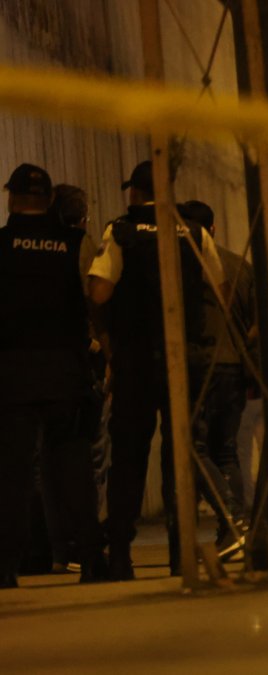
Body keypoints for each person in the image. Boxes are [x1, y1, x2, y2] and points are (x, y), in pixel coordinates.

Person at [87, 161, 236, 579]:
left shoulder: (120, 232)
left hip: (135, 361)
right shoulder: (194, 232)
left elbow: (99, 291)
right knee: (181, 455)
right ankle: (179, 552)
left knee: (128, 457)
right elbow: (221, 291)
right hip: (183, 359)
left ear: (135, 192)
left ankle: (120, 555)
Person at [0, 164, 108, 587]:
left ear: (11, 198)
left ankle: (6, 567)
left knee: (12, 474)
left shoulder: (1, 244)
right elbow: (95, 300)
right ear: (48, 200)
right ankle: (92, 560)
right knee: (75, 469)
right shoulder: (74, 243)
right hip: (65, 371)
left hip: (12, 375)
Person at [178, 200, 256, 555]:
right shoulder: (240, 265)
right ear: (213, 228)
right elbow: (257, 323)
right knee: (226, 450)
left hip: (198, 363)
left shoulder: (179, 264)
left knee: (192, 447)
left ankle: (233, 519)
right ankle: (234, 531)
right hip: (233, 366)